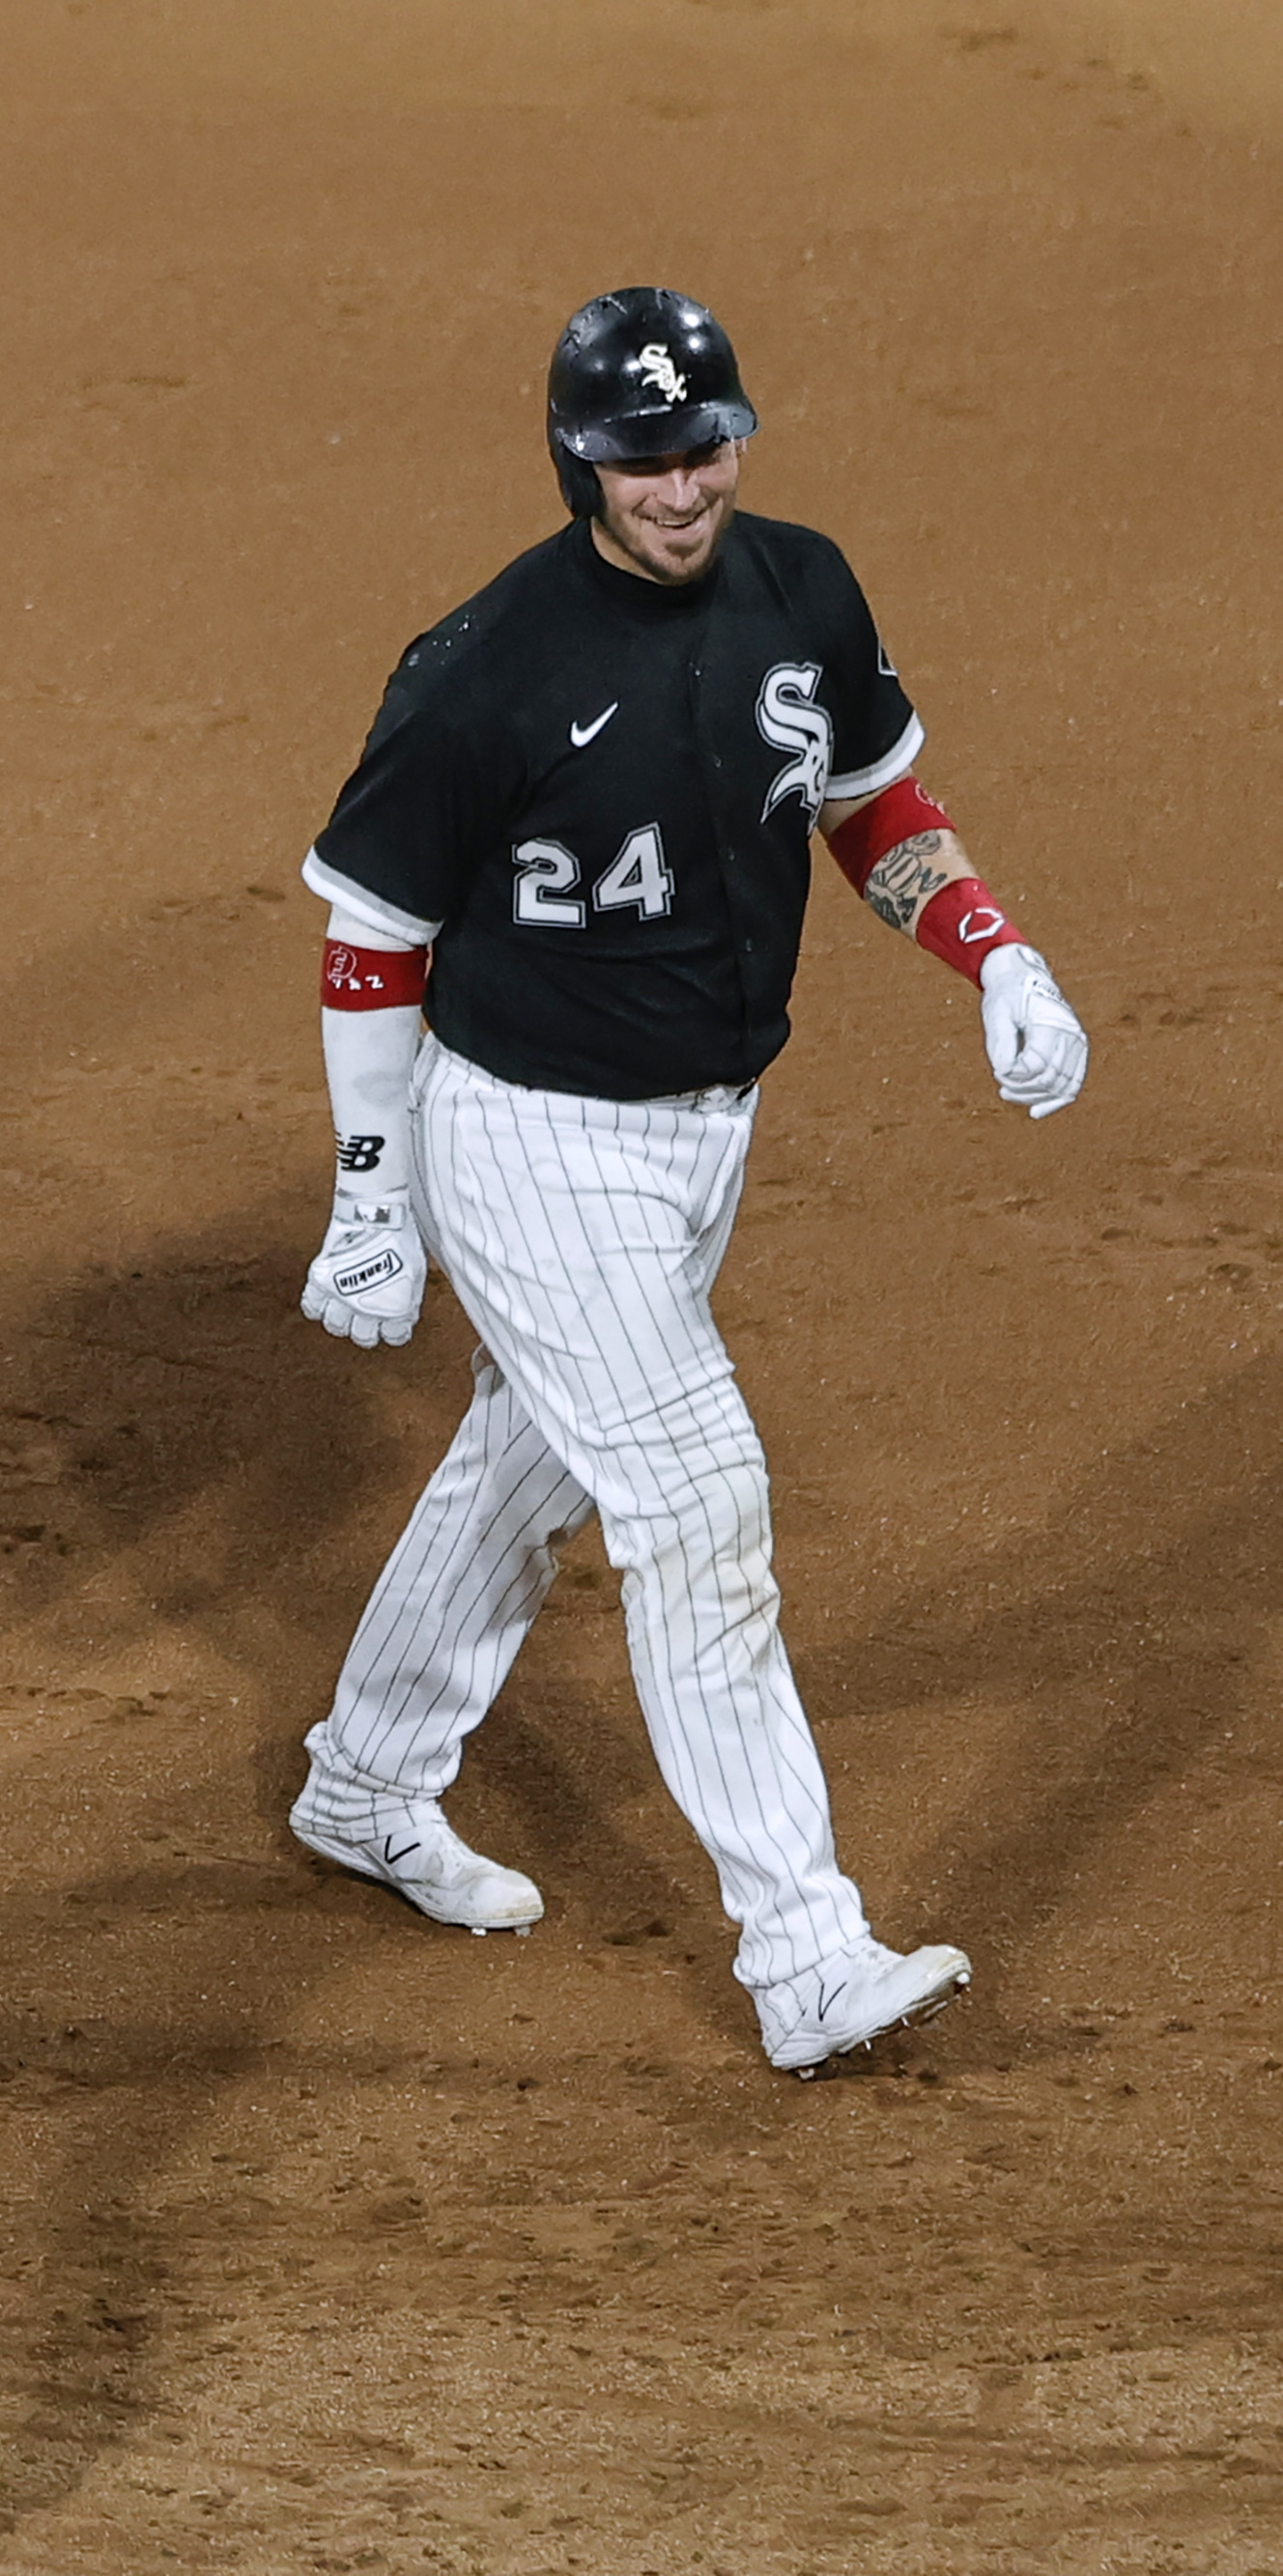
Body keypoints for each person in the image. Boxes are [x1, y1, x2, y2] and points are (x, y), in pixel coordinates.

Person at [287, 288, 1092, 2075]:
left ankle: (366, 1779)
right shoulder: (488, 664)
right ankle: (803, 1954)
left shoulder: (804, 585)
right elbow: (371, 935)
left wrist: (995, 955)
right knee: (700, 1503)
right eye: (645, 455)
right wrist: (369, 1189)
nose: (683, 482)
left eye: (706, 440)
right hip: (528, 1136)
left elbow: (872, 802)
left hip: (706, 1130)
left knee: (534, 1462)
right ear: (581, 458)